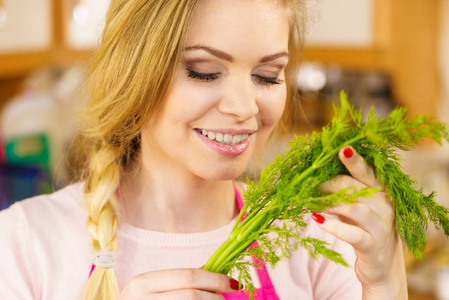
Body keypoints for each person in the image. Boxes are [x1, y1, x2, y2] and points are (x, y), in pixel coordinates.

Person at [0, 0, 408, 299]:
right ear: (134, 74)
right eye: (204, 71)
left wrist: (385, 282)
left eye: (267, 76)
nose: (245, 106)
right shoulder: (25, 244)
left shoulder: (320, 244)